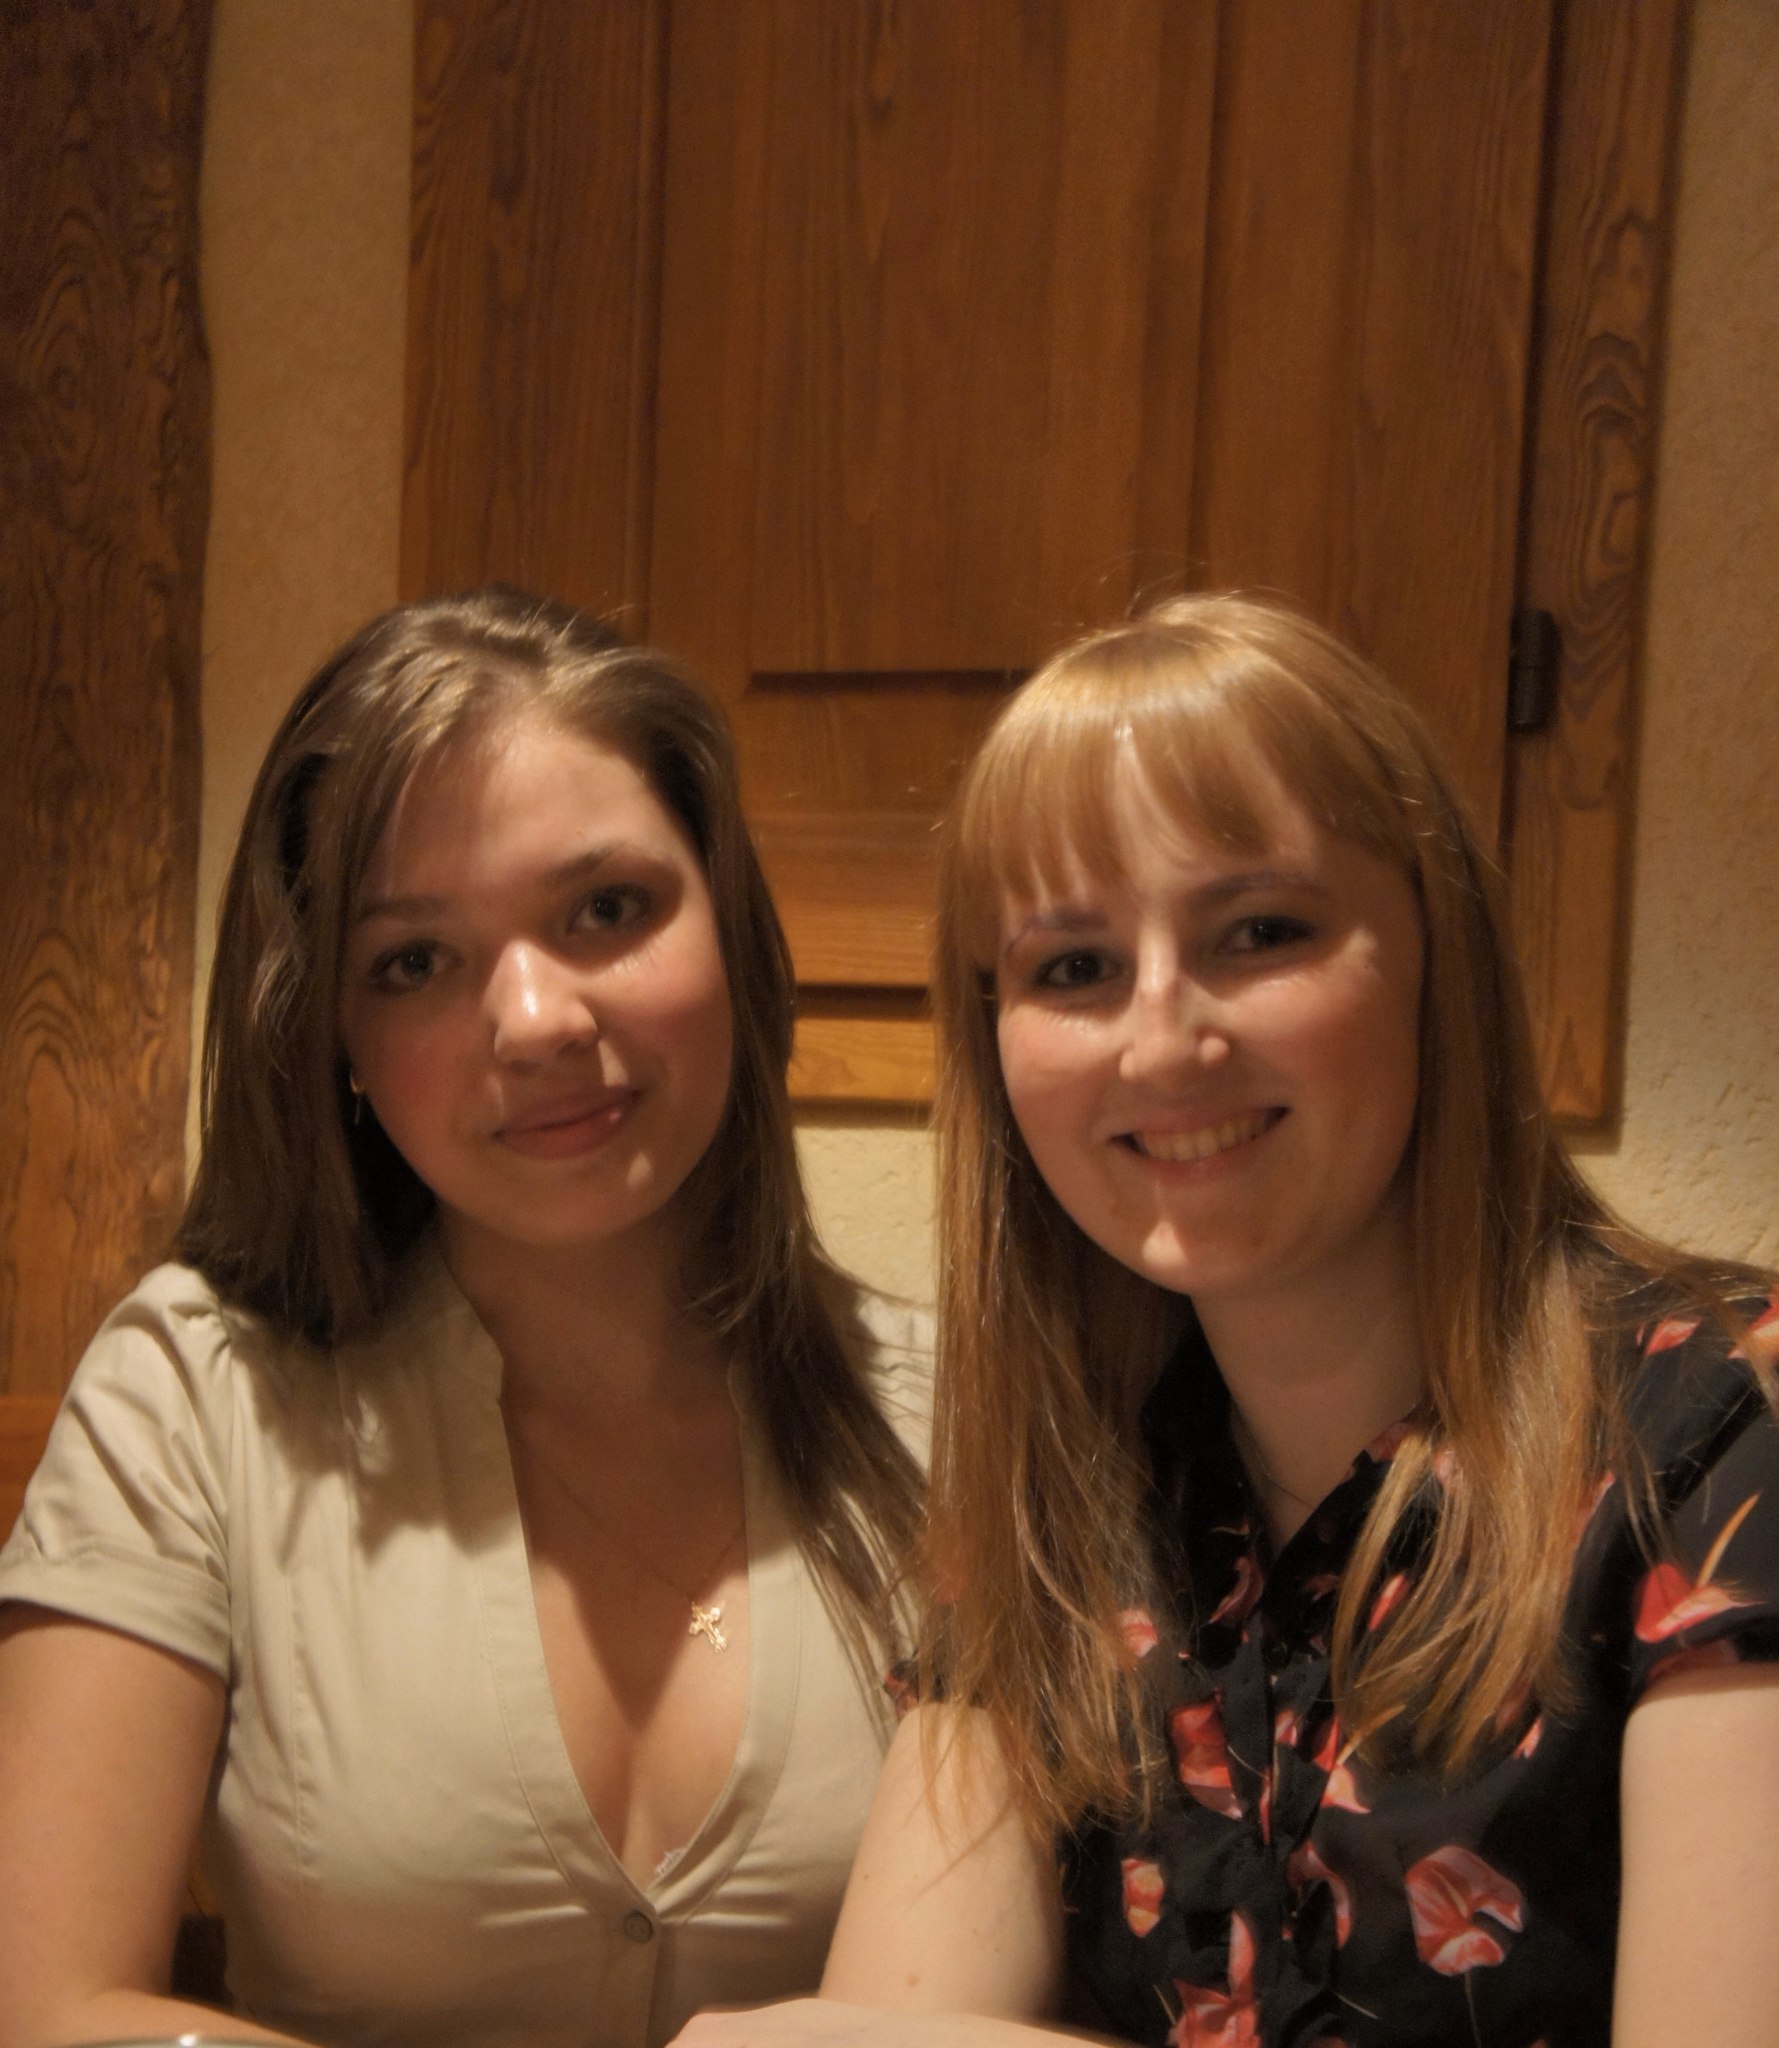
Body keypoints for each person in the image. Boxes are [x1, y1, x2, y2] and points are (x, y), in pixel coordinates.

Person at [680, 594, 1779, 2048]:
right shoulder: (1060, 1484)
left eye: (1260, 931)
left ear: (1436, 959)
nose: (1163, 1041)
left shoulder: (1719, 1428)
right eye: (1073, 967)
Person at [0, 588, 928, 2048]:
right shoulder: (195, 1398)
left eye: (606, 908)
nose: (538, 1019)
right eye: (414, 962)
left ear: (732, 931)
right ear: (335, 1038)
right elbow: (50, 2009)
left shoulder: (958, 1416)